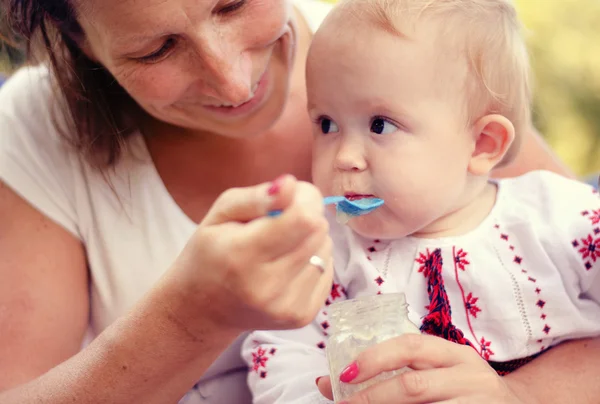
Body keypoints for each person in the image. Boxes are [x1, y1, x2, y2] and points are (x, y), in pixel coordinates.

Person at [0, 0, 596, 403]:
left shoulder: (405, 38)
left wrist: (515, 394)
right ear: (79, 47)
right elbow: (286, 363)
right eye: (156, 49)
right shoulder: (335, 260)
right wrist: (190, 320)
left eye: (234, 1)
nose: (235, 84)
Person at [242, 0, 600, 403]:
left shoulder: (559, 218)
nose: (343, 156)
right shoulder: (324, 253)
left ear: (482, 144)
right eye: (327, 123)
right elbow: (277, 352)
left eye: (380, 125)